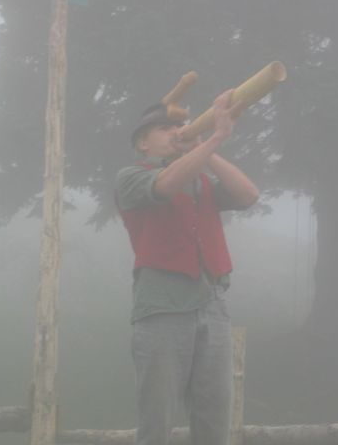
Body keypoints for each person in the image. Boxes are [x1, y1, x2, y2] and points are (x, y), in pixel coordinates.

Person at [115, 89, 259, 445]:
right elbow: (165, 185)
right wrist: (215, 137)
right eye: (164, 129)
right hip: (162, 306)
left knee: (214, 418)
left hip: (213, 304)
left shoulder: (200, 179)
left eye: (179, 127)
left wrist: (207, 147)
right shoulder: (130, 176)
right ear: (142, 144)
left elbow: (248, 195)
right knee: (157, 420)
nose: (176, 132)